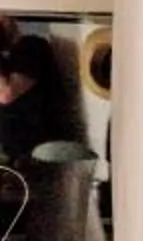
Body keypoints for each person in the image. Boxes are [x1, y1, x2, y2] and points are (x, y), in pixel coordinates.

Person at [0, 16, 87, 166]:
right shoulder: (6, 61)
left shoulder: (30, 46)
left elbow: (7, 94)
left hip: (45, 148)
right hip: (18, 157)